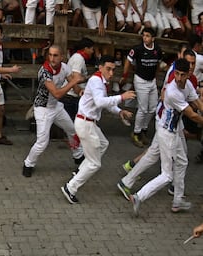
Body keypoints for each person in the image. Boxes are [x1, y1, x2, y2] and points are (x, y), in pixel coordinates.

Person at [128, 59, 203, 216]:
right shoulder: (172, 92)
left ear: (189, 74)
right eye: (177, 74)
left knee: (182, 162)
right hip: (166, 133)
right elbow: (192, 115)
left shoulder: (188, 85)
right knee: (167, 175)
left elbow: (197, 103)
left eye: (183, 75)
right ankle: (138, 197)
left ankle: (177, 200)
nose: (179, 78)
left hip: (174, 131)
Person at [61, 55, 136, 204]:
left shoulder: (100, 80)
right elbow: (100, 101)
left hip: (88, 122)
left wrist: (119, 111)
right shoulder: (96, 81)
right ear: (100, 68)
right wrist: (122, 97)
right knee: (95, 164)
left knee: (103, 144)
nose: (111, 73)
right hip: (86, 124)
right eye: (108, 69)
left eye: (113, 70)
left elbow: (105, 102)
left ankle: (81, 170)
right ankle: (71, 187)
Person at [22, 45, 84, 178]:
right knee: (42, 142)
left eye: (55, 55)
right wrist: (74, 83)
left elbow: (74, 84)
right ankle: (28, 164)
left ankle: (78, 157)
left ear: (62, 57)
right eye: (50, 55)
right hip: (43, 109)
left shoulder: (65, 67)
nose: (52, 58)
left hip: (55, 107)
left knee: (72, 130)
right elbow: (57, 93)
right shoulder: (44, 71)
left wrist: (81, 91)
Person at [120, 27, 162, 148]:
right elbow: (128, 61)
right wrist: (124, 75)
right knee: (143, 108)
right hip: (141, 80)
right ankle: (136, 133)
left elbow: (158, 64)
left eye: (147, 36)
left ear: (153, 38)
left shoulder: (157, 50)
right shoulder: (137, 49)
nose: (145, 38)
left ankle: (144, 129)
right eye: (143, 35)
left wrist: (155, 77)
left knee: (153, 108)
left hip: (152, 81)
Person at [59, 37, 94, 121]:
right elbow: (75, 78)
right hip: (71, 96)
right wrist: (87, 78)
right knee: (73, 124)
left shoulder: (78, 57)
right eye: (92, 49)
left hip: (71, 96)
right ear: (86, 49)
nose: (92, 52)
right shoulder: (79, 59)